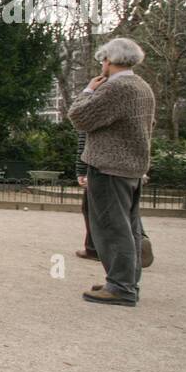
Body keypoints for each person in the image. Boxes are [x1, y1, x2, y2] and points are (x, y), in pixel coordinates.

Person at [67, 37, 156, 307]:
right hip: (131, 166)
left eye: (103, 59)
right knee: (128, 228)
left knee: (110, 227)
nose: (102, 65)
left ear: (110, 60)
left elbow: (79, 117)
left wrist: (87, 91)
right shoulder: (142, 87)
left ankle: (120, 286)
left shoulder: (116, 89)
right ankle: (125, 281)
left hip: (109, 166)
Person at [75, 130, 153, 267]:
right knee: (127, 209)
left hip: (103, 164)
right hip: (131, 164)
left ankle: (94, 249)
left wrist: (81, 170)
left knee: (92, 209)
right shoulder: (137, 109)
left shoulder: (97, 110)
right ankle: (139, 238)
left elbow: (85, 139)